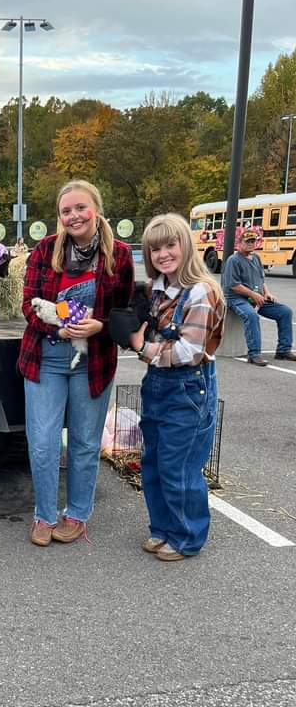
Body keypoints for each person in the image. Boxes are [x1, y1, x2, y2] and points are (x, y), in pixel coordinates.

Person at [18, 179, 134, 546]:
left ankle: (78, 514)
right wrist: (55, 322)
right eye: (66, 211)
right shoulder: (45, 251)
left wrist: (100, 325)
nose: (74, 216)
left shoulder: (120, 255)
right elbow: (27, 303)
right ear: (59, 217)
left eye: (80, 208)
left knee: (84, 443)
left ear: (96, 210)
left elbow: (128, 311)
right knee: (43, 442)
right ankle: (44, 515)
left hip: (93, 360)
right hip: (46, 358)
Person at [129, 213, 225, 562]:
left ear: (186, 246)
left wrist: (144, 348)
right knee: (152, 461)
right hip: (157, 385)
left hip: (188, 388)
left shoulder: (201, 292)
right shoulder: (158, 291)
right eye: (155, 249)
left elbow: (190, 351)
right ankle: (162, 528)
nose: (163, 254)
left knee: (178, 465)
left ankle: (186, 537)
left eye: (171, 245)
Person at [221, 229, 296, 366]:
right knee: (252, 316)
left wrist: (267, 293)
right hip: (237, 299)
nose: (250, 244)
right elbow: (233, 285)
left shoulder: (256, 258)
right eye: (247, 241)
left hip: (257, 297)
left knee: (285, 312)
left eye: (252, 241)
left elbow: (261, 279)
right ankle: (254, 354)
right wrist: (253, 294)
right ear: (239, 243)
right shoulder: (233, 260)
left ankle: (283, 350)